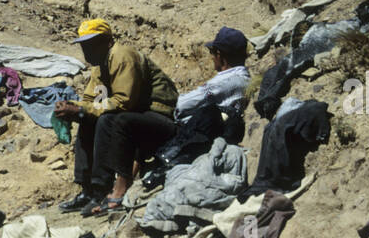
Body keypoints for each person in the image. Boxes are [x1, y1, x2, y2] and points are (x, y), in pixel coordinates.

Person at [54, 19, 178, 214]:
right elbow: (91, 100)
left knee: (108, 119)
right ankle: (88, 190)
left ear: (107, 40)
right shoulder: (99, 66)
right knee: (87, 118)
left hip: (159, 116)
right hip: (136, 114)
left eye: (91, 44)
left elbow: (123, 101)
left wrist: (82, 109)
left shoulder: (122, 56)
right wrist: (74, 107)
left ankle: (104, 188)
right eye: (84, 46)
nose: (86, 51)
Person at [175, 26, 251, 144]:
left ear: (219, 55)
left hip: (190, 131)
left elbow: (181, 105)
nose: (211, 57)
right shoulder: (244, 79)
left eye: (212, 52)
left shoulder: (226, 83)